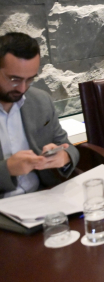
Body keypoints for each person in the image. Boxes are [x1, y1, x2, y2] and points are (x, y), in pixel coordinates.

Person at [0, 33, 79, 197]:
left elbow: (67, 146)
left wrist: (64, 157)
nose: (22, 89)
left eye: (30, 79)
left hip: (43, 196)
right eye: (14, 79)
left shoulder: (40, 101)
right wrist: (7, 169)